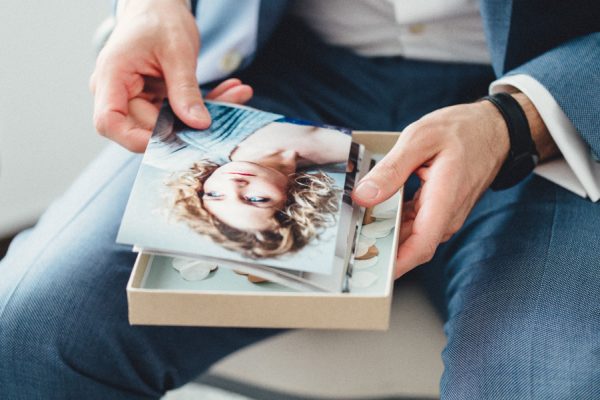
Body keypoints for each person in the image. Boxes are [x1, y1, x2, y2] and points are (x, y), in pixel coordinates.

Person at [1, 1, 598, 399]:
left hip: (549, 94)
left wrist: (522, 121)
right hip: (283, 68)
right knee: (27, 333)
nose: (231, 189)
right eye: (249, 201)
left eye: (220, 195)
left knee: (549, 381)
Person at [147, 102, 348, 257]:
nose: (234, 186)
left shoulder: (178, 149)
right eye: (256, 200)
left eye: (215, 195)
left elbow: (153, 123)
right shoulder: (347, 158)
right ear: (294, 200)